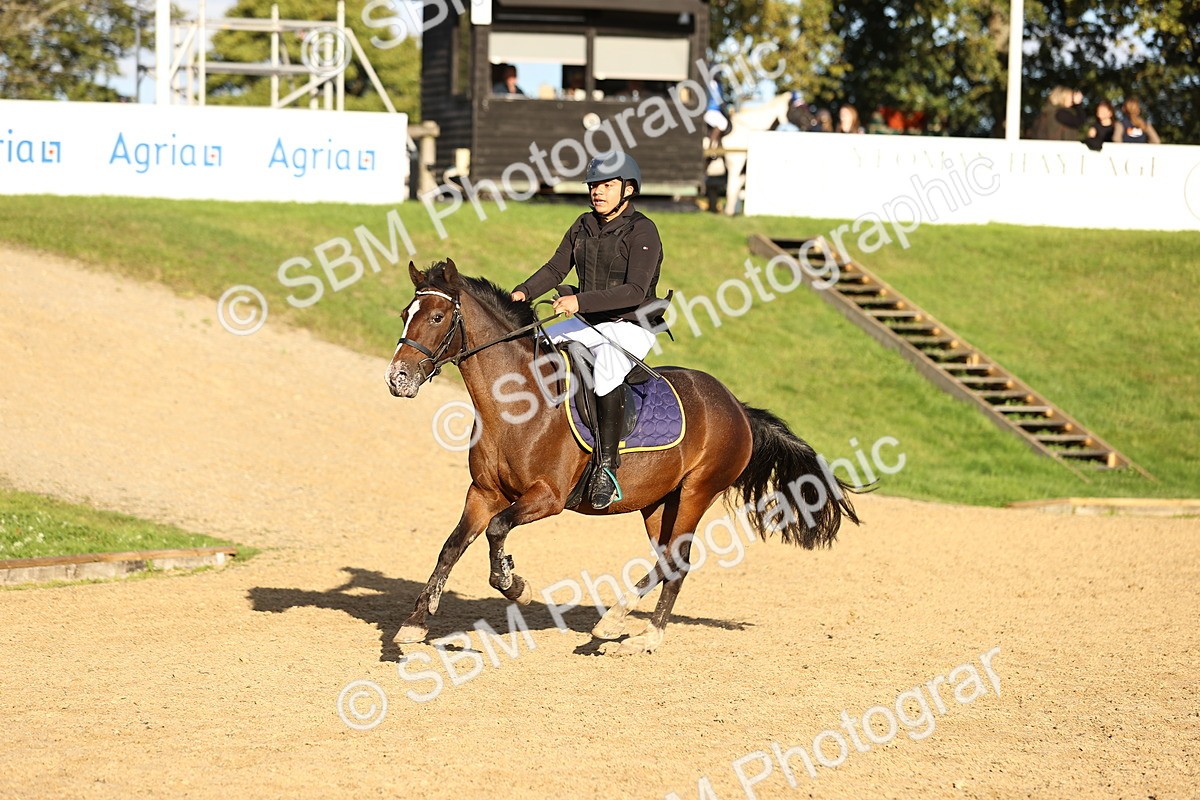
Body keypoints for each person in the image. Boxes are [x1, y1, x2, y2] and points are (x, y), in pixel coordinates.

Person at [510, 152, 664, 510]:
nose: (598, 191)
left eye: (607, 185)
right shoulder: (583, 224)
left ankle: (606, 467)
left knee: (608, 370)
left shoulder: (643, 230)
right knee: (536, 346)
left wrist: (578, 302)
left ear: (627, 189)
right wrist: (522, 292)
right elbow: (554, 268)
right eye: (594, 185)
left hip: (632, 323)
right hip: (589, 322)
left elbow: (635, 292)